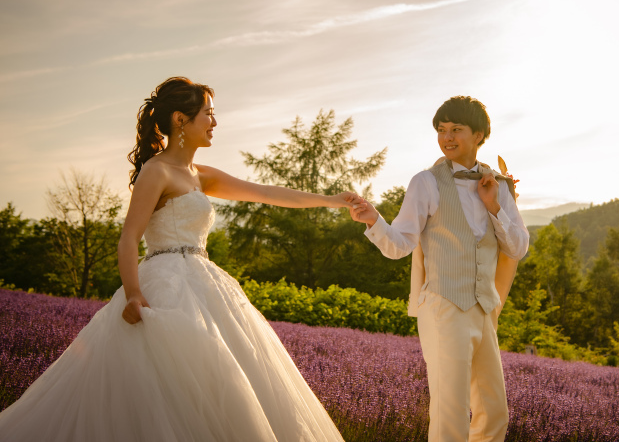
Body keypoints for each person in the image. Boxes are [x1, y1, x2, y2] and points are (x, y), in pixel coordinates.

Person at [0, 77, 347, 442]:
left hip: (206, 285)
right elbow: (129, 237)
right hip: (164, 289)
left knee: (225, 383)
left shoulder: (201, 175)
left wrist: (334, 200)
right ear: (181, 119)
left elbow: (264, 193)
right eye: (208, 114)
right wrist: (133, 293)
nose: (214, 123)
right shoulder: (157, 171)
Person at [349, 96, 529, 442]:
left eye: (456, 129)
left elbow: (518, 247)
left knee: (494, 413)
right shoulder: (426, 182)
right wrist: (374, 220)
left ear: (479, 135)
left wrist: (494, 207)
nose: (447, 137)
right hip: (444, 307)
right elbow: (400, 244)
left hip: (484, 309)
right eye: (441, 130)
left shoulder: (499, 187)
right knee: (452, 413)